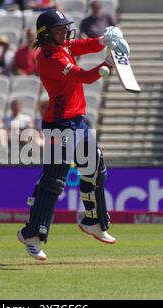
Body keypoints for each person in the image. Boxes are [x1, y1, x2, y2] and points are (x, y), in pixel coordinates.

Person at [17, 9, 127, 260]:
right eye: (59, 30)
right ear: (46, 35)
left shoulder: (63, 46)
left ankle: (94, 221)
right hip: (59, 125)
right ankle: (32, 234)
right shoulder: (50, 58)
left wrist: (102, 41)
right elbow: (83, 76)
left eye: (65, 28)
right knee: (55, 180)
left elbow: (82, 45)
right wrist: (108, 64)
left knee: (95, 168)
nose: (65, 33)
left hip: (78, 121)